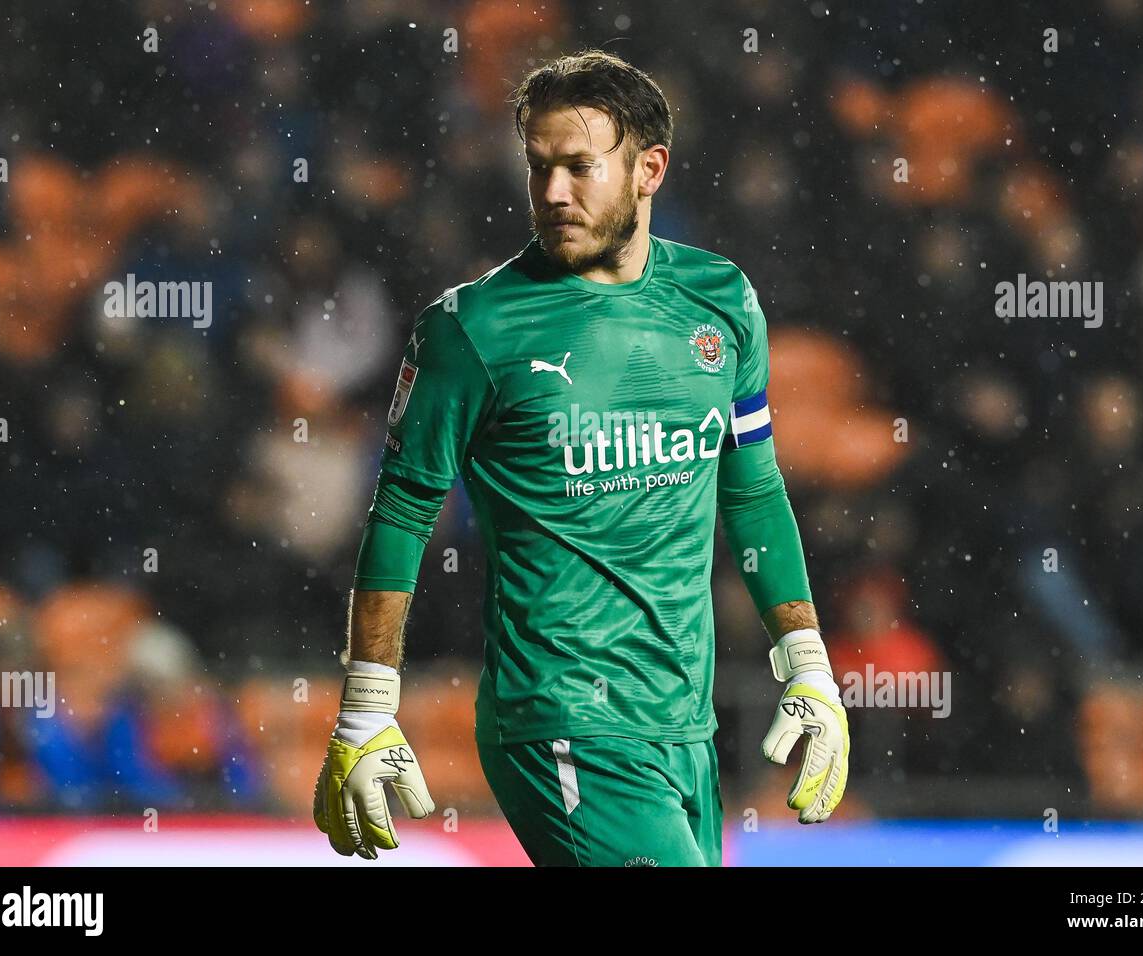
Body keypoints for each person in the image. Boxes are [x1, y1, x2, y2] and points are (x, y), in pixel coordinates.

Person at [313, 49, 849, 866]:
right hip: (561, 717)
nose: (553, 194)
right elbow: (401, 511)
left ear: (649, 169)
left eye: (579, 168)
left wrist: (806, 661)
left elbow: (753, 489)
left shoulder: (722, 301)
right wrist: (367, 707)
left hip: (683, 725)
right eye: (539, 169)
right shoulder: (470, 330)